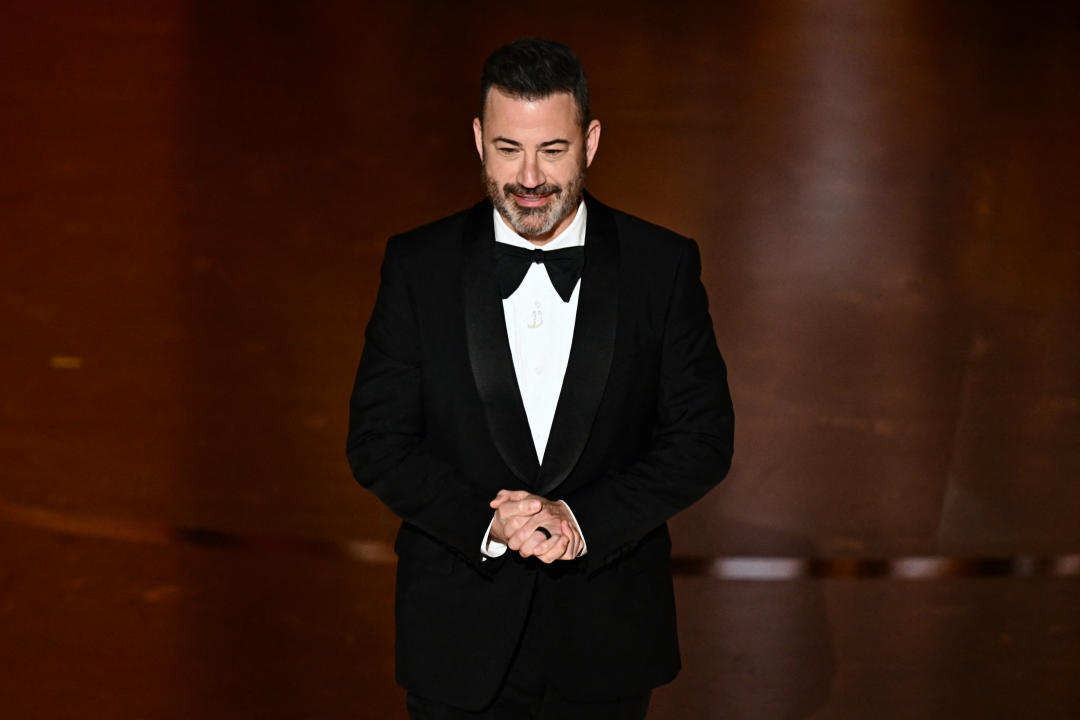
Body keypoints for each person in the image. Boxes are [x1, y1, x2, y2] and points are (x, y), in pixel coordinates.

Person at [347, 38, 734, 719]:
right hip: (457, 641)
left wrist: (582, 522)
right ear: (476, 139)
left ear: (589, 141)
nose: (529, 177)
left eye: (552, 151)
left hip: (606, 640)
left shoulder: (661, 267)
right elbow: (378, 441)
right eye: (507, 148)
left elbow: (702, 438)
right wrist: (488, 526)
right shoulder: (418, 266)